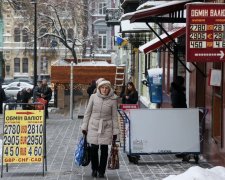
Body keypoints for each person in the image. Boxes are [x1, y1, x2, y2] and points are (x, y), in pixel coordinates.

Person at [81, 80, 119, 178]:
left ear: (109, 89)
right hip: (93, 125)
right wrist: (84, 126)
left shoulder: (113, 99)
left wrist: (115, 131)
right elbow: (87, 112)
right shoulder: (93, 97)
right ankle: (94, 169)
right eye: (102, 87)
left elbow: (114, 116)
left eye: (106, 88)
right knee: (93, 149)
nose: (104, 90)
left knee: (104, 149)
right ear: (99, 88)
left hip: (106, 127)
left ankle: (101, 171)